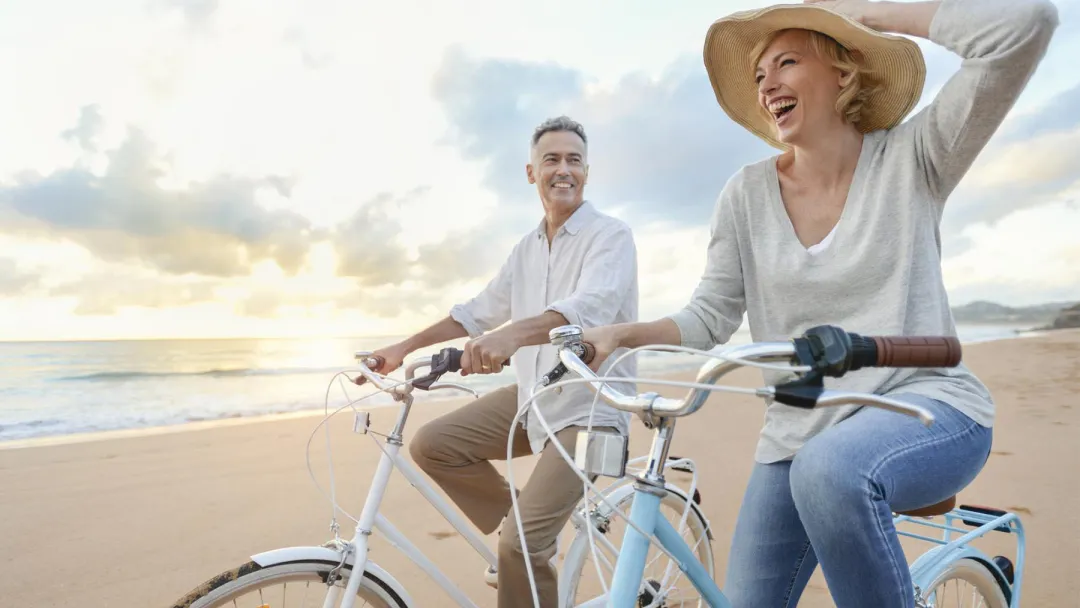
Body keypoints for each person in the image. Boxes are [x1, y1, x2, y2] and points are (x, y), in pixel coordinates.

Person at [580, 0, 1058, 606]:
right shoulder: (745, 195)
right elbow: (710, 317)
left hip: (927, 407)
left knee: (831, 471)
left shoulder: (915, 159)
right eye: (759, 75)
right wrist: (621, 334)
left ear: (844, 71)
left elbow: (1024, 28)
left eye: (786, 62)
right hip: (795, 436)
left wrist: (876, 14)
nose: (768, 84)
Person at [358, 115, 639, 607]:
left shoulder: (611, 236)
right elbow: (476, 314)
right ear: (531, 172)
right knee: (433, 446)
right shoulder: (526, 249)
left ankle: (523, 544)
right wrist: (403, 348)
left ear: (587, 172)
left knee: (520, 548)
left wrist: (512, 336)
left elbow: (586, 311)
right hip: (536, 397)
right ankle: (526, 525)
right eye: (551, 159)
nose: (563, 169)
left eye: (574, 159)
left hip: (591, 408)